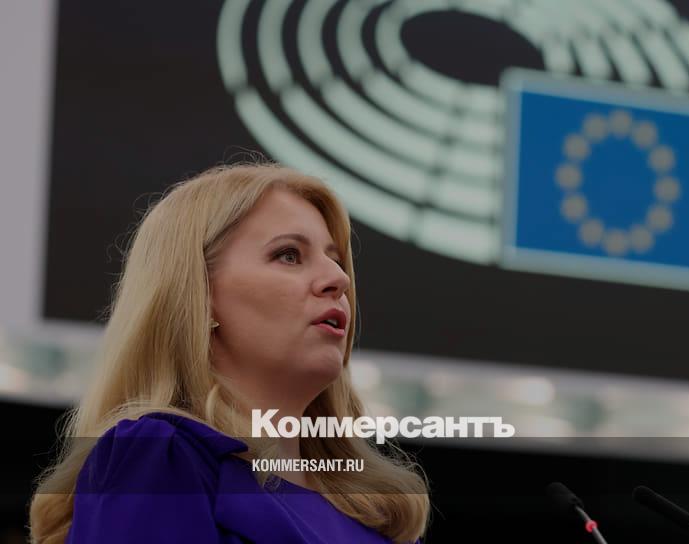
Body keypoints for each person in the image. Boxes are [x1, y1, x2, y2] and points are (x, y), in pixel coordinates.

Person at [28, 163, 429, 543]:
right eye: (288, 254)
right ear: (198, 296)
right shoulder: (158, 455)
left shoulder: (376, 514)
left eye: (336, 260)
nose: (339, 279)